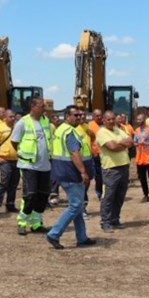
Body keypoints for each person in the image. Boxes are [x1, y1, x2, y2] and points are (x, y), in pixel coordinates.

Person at [45, 105, 96, 249]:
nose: (79, 118)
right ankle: (54, 234)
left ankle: (82, 237)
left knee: (78, 206)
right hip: (71, 173)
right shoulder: (70, 132)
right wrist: (83, 172)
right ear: (67, 116)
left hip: (63, 172)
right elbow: (75, 153)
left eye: (81, 115)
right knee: (75, 206)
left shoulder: (62, 129)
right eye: (76, 115)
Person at [12, 97, 53, 235]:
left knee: (43, 195)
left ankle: (36, 223)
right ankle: (22, 222)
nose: (44, 108)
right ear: (33, 107)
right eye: (42, 106)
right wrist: (24, 154)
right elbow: (14, 142)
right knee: (30, 194)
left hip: (45, 165)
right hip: (29, 165)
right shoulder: (23, 122)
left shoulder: (45, 121)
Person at [96, 110, 133, 233]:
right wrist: (123, 144)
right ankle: (105, 221)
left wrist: (119, 143)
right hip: (111, 169)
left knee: (120, 196)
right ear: (104, 120)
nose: (111, 121)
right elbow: (112, 147)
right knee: (108, 196)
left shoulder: (118, 130)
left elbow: (130, 141)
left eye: (113, 119)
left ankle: (115, 219)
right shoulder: (102, 132)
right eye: (109, 119)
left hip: (123, 166)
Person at [0, 109, 20, 216]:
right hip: (4, 161)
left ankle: (10, 204)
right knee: (2, 184)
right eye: (10, 117)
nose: (13, 118)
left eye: (14, 116)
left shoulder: (17, 128)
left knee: (13, 184)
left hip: (16, 161)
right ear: (5, 117)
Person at [134, 113, 149, 203]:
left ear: (144, 119)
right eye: (137, 119)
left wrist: (146, 144)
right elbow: (135, 142)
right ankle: (145, 195)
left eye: (139, 119)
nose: (138, 121)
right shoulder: (136, 131)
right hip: (140, 158)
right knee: (142, 177)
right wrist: (138, 143)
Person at [87, 109, 104, 200]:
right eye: (97, 116)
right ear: (93, 116)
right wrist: (92, 152)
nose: (99, 117)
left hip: (106, 153)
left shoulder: (105, 124)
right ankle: (99, 192)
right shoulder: (90, 125)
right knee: (99, 175)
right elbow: (88, 140)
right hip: (95, 154)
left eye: (100, 115)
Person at [48, 112, 63, 206]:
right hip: (53, 156)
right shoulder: (52, 127)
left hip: (55, 155)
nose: (58, 120)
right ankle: (53, 195)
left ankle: (54, 194)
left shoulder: (56, 127)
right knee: (54, 177)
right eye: (55, 118)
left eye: (58, 118)